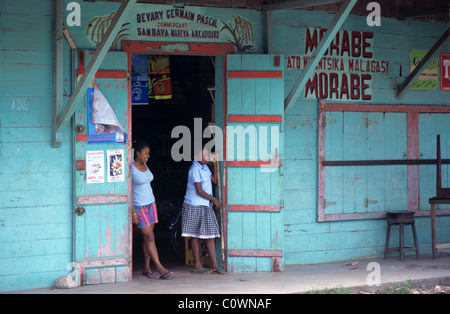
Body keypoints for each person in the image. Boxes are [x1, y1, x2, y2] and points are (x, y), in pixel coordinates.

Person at [131, 140, 173, 279]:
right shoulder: (130, 168)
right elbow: (127, 190)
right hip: (139, 206)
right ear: (138, 153)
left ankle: (146, 267)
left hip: (151, 204)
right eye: (146, 154)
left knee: (147, 238)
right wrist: (133, 211)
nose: (148, 156)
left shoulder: (145, 166)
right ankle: (160, 268)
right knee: (149, 237)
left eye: (148, 154)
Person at [181, 146, 224, 274]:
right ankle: (197, 265)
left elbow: (215, 181)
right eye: (204, 155)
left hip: (205, 204)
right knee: (195, 236)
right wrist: (214, 200)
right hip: (194, 204)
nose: (207, 157)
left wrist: (215, 165)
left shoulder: (205, 167)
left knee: (209, 235)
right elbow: (199, 191)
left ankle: (215, 265)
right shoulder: (194, 169)